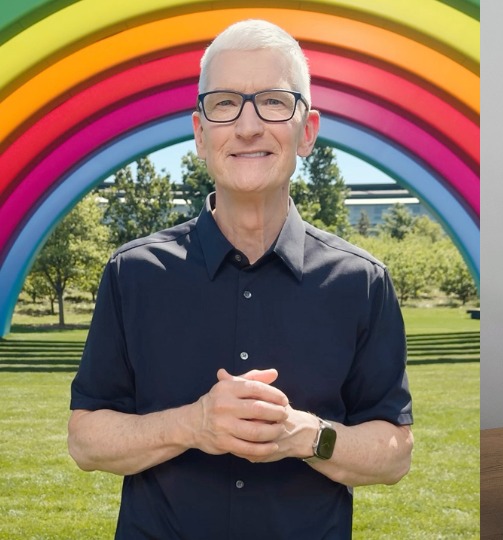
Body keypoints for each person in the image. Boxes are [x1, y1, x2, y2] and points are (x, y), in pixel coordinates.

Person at [68, 19, 413, 539]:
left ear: (308, 132)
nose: (248, 126)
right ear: (200, 135)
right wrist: (194, 424)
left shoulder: (361, 283)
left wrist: (304, 435)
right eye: (225, 103)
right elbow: (85, 440)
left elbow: (394, 454)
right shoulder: (132, 273)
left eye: (274, 101)